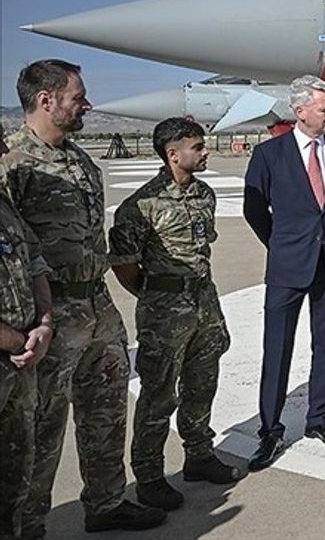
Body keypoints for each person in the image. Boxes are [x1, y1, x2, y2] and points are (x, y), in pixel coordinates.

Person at [1, 60, 166, 536]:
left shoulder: (81, 161)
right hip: (50, 315)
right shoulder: (13, 164)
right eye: (78, 96)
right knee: (41, 426)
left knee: (107, 410)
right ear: (46, 100)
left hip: (97, 305)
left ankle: (106, 502)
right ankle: (28, 522)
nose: (87, 105)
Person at [108, 118, 244, 511]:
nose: (205, 152)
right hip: (164, 314)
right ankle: (149, 476)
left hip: (205, 305)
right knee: (158, 394)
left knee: (202, 384)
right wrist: (158, 296)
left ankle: (199, 455)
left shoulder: (204, 194)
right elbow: (125, 265)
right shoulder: (140, 206)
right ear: (173, 154)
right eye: (197, 147)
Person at [243, 75, 325, 471]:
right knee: (277, 348)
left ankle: (319, 419)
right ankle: (270, 430)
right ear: (300, 110)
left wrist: (323, 241)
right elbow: (255, 210)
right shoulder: (269, 154)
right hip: (287, 266)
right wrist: (281, 244)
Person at [0, 125, 54, 540]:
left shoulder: (4, 204)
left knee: (17, 474)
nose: (4, 147)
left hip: (21, 359)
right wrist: (19, 340)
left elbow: (34, 261)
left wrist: (45, 323)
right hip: (16, 349)